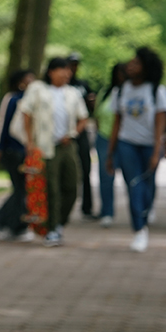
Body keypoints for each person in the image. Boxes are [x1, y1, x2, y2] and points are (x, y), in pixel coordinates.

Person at [18, 58, 88, 247]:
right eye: (62, 70)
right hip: (45, 146)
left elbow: (83, 118)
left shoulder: (72, 93)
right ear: (51, 71)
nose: (66, 74)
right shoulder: (38, 89)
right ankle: (52, 228)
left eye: (68, 70)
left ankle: (60, 223)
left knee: (72, 186)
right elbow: (26, 113)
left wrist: (72, 134)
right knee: (51, 188)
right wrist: (29, 142)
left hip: (67, 146)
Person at [106, 47, 166, 252]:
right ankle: (139, 229)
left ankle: (145, 213)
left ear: (146, 67)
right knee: (133, 185)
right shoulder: (120, 91)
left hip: (149, 145)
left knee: (147, 187)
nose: (130, 66)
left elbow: (160, 123)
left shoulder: (156, 91)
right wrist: (110, 153)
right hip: (127, 144)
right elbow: (117, 122)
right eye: (131, 63)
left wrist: (157, 152)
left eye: (136, 63)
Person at [0, 69, 35, 242]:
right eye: (28, 79)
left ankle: (16, 226)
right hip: (12, 150)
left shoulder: (33, 100)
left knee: (24, 189)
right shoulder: (12, 98)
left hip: (27, 151)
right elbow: (2, 123)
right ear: (20, 82)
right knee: (21, 188)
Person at [94, 63, 127, 228]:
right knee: (105, 175)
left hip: (126, 139)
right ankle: (107, 211)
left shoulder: (130, 92)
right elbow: (97, 114)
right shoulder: (106, 92)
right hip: (104, 137)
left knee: (131, 175)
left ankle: (141, 210)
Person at [68, 52, 99, 222]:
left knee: (86, 168)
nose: (73, 68)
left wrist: (92, 102)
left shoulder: (83, 85)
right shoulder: (61, 86)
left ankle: (87, 207)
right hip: (64, 132)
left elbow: (91, 109)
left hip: (81, 131)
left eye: (76, 65)